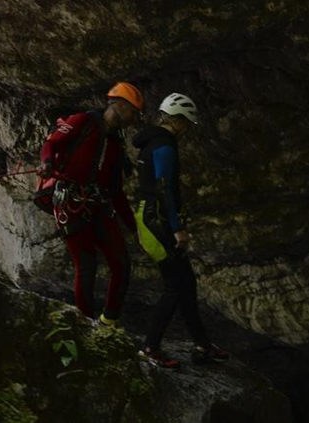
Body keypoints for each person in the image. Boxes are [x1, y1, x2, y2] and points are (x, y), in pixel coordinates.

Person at [133, 93, 230, 369]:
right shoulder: (164, 146)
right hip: (158, 221)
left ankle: (202, 344)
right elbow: (164, 189)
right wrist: (177, 229)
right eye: (186, 122)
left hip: (149, 216)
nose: (187, 129)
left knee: (187, 282)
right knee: (174, 286)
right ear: (176, 120)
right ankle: (149, 347)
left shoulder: (150, 142)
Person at [37, 82, 143, 326]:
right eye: (133, 112)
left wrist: (133, 227)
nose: (134, 119)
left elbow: (116, 191)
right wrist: (47, 163)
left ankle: (109, 321)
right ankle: (86, 323)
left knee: (121, 263)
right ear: (118, 105)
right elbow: (51, 143)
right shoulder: (83, 121)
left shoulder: (116, 144)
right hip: (70, 204)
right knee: (86, 266)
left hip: (98, 206)